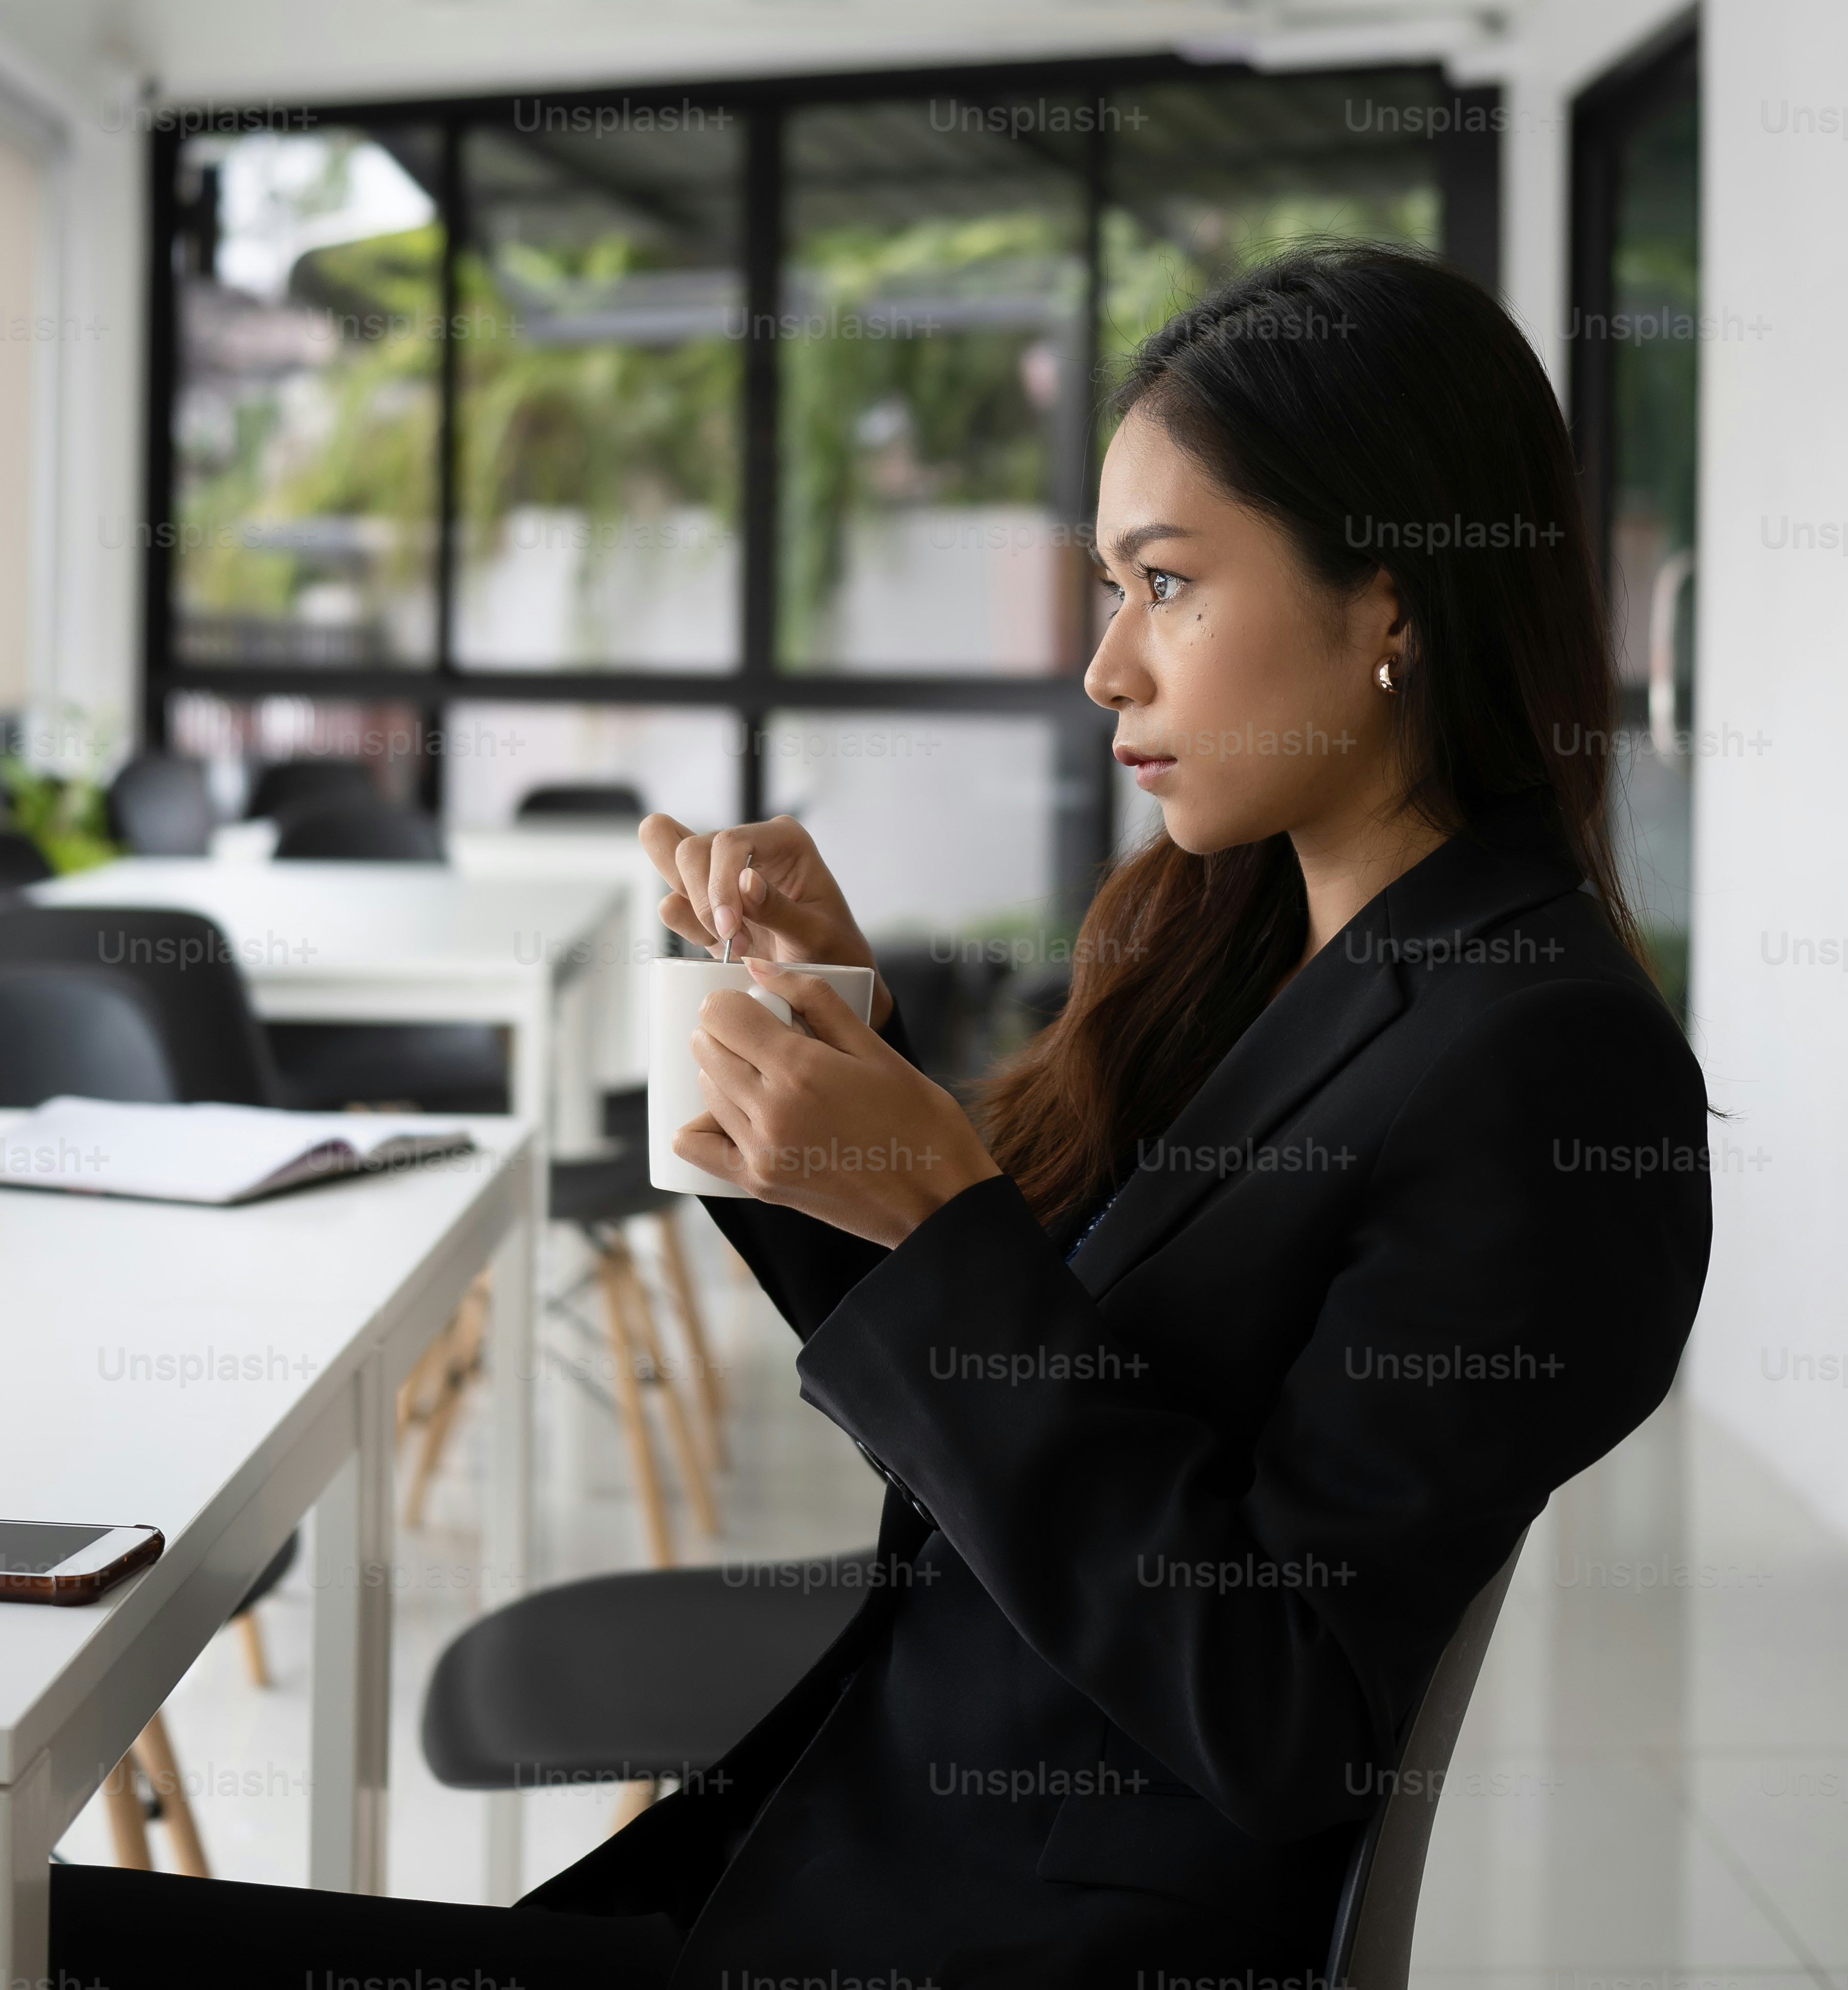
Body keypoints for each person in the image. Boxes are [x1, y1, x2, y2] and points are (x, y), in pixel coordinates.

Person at [55, 245, 1711, 1990]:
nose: (1107, 668)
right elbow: (1021, 1400)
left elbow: (1289, 1707)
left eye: (1167, 583)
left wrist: (944, 1229)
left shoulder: (1543, 1062)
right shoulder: (1263, 944)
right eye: (1108, 586)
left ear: (1395, 601)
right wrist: (832, 1052)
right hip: (862, 1853)